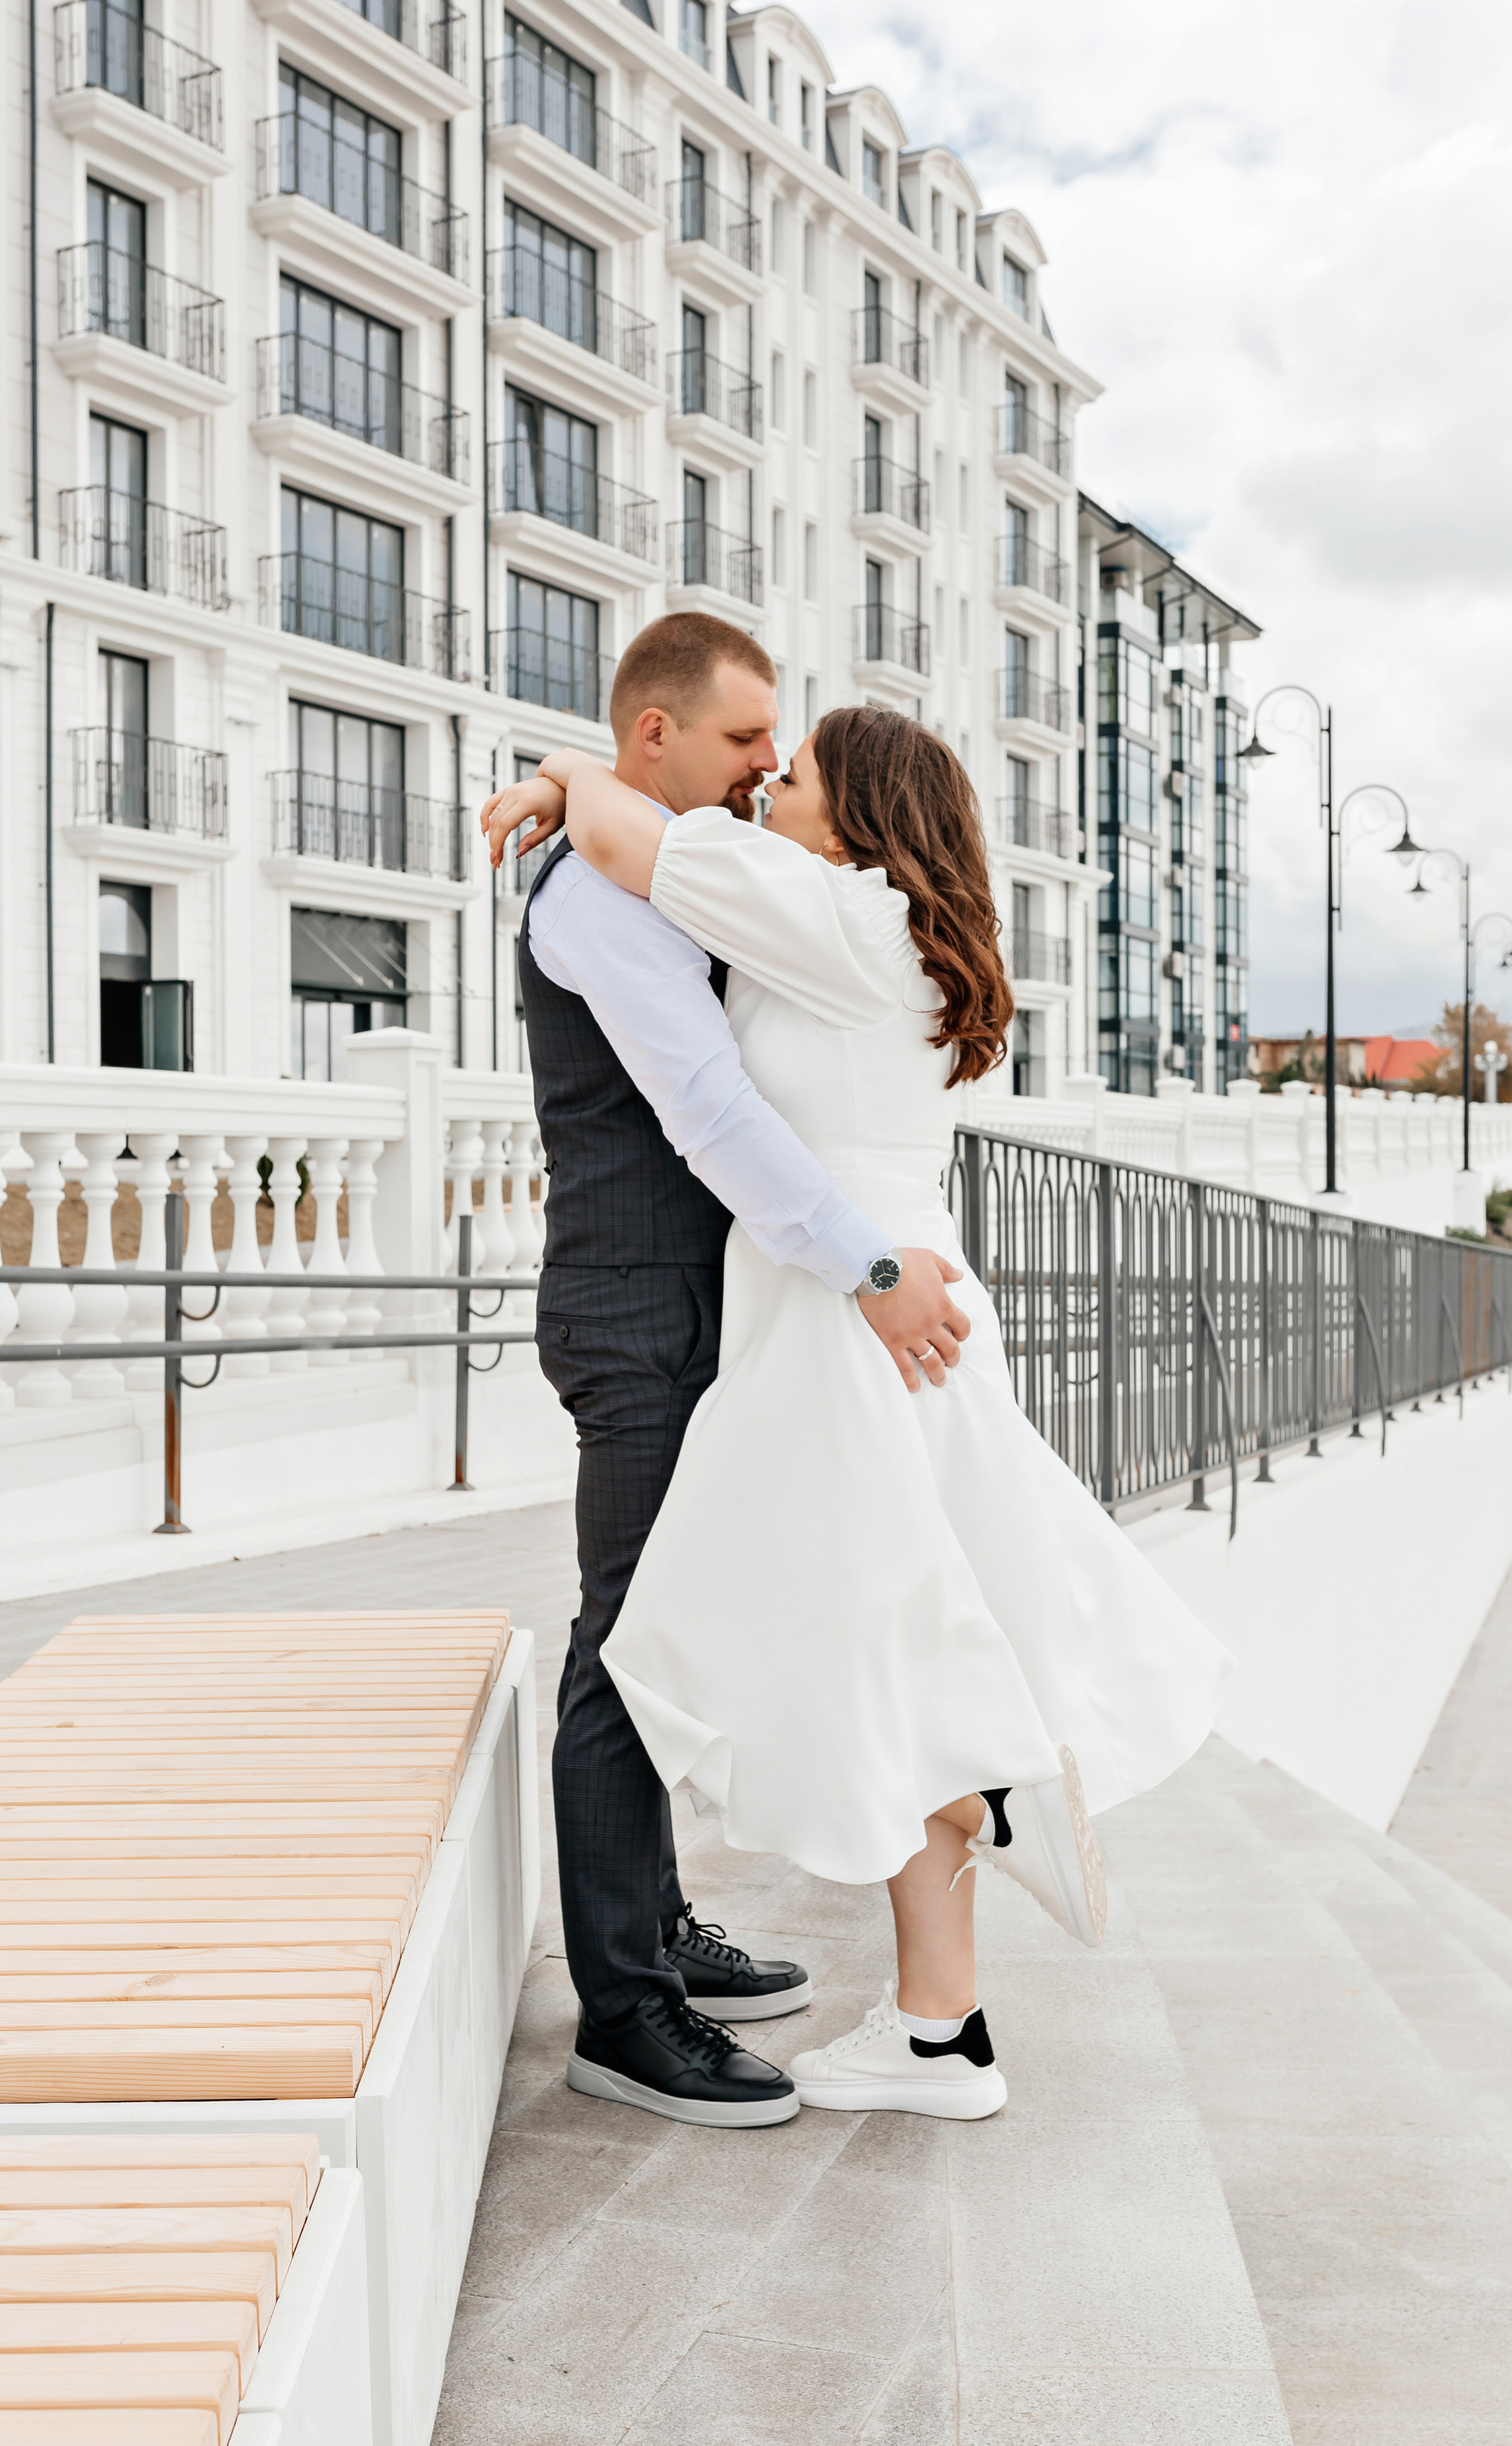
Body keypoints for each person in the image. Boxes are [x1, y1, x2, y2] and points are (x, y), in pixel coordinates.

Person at [506, 706, 1233, 2122]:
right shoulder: (879, 923)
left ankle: (964, 1810)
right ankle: (938, 2014)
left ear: (857, 816)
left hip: (859, 1312)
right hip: (886, 1297)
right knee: (882, 1629)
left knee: (737, 1631)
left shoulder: (826, 907)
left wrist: (553, 773)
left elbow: (610, 830)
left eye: (801, 769)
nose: (773, 779)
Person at [479, 615, 974, 2132]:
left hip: (707, 1306)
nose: (768, 767)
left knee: (682, 1616)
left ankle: (656, 1922)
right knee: (629, 1641)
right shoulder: (600, 907)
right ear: (654, 738)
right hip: (637, 1310)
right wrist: (869, 1267)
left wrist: (568, 779)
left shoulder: (656, 863)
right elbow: (709, 1112)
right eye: (746, 737)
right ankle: (622, 2009)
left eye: (782, 747)